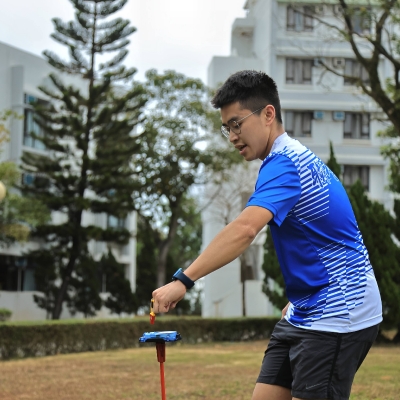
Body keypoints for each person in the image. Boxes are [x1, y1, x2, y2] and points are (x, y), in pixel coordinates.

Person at [152, 70, 382, 400]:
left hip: (339, 313)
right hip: (305, 309)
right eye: (226, 127)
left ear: (268, 114)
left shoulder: (286, 164)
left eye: (237, 124)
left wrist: (183, 280)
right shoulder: (285, 159)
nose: (231, 136)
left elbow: (245, 229)